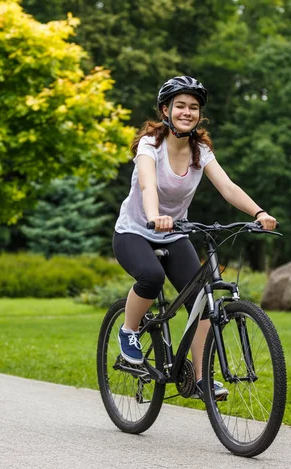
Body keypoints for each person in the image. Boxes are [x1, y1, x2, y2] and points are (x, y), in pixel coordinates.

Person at [113, 76, 277, 399]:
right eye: (181, 106)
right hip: (134, 230)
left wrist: (258, 213)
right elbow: (147, 184)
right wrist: (153, 215)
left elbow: (227, 187)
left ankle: (200, 377)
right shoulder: (151, 145)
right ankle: (128, 332)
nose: (187, 112)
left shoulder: (200, 150)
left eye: (194, 108)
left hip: (174, 233)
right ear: (166, 110)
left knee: (203, 300)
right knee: (151, 276)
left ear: (199, 115)